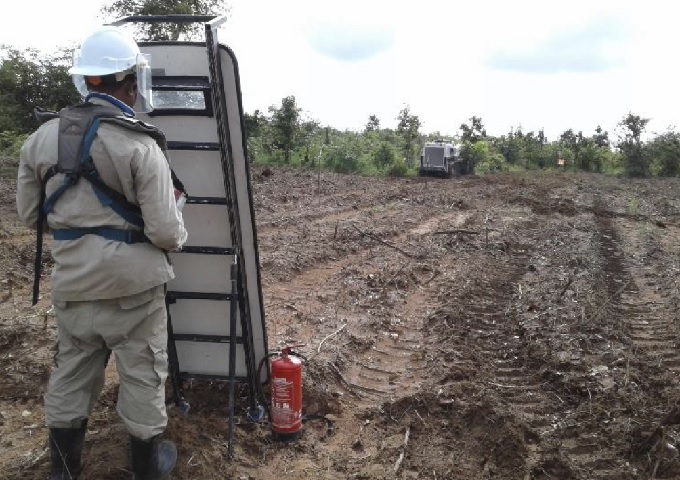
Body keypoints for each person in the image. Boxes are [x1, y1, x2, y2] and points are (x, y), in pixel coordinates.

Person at [16, 25, 187, 480]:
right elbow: (167, 233)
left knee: (70, 374)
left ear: (86, 79)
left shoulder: (40, 139)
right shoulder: (138, 142)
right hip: (134, 293)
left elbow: (31, 215)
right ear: (130, 81)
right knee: (143, 378)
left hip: (73, 287)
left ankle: (63, 470)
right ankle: (147, 471)